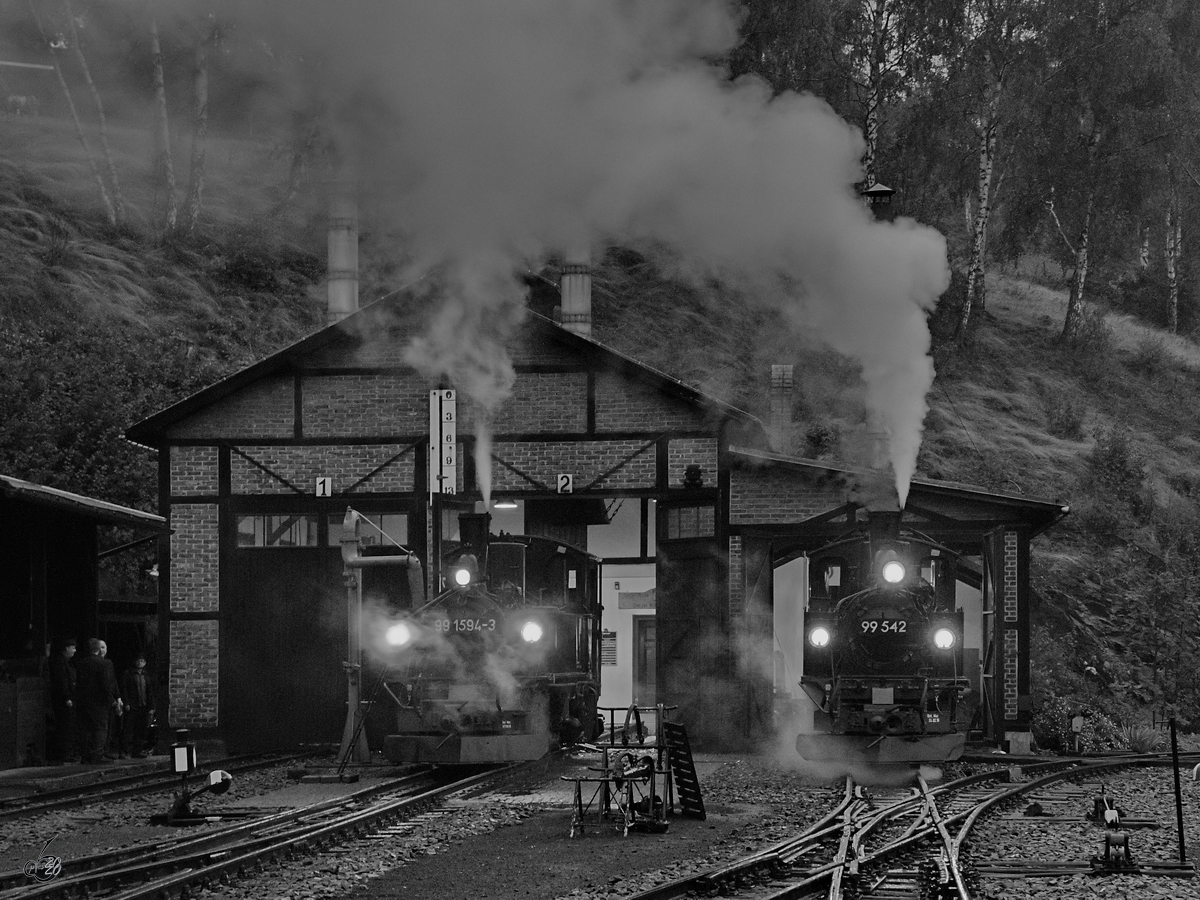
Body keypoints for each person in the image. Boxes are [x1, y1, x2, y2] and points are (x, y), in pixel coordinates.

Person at [75, 638, 121, 763]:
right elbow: (106, 685)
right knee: (100, 728)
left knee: (85, 729)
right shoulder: (105, 664)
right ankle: (97, 754)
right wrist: (112, 701)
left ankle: (86, 755)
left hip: (84, 701)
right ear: (98, 649)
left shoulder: (81, 663)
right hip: (100, 702)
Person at [47, 638, 78, 764]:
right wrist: (67, 697)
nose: (75, 651)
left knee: (69, 726)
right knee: (65, 726)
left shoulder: (67, 662)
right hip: (64, 700)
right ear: (67, 648)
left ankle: (68, 752)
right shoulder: (61, 662)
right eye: (73, 648)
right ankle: (64, 753)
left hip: (68, 697)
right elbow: (62, 681)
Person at [120, 654, 154, 757]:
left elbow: (150, 691)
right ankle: (124, 750)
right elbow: (124, 689)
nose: (140, 663)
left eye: (142, 661)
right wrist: (126, 702)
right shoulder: (128, 674)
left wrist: (151, 706)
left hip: (143, 705)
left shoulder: (146, 675)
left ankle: (137, 750)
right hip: (132, 705)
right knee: (128, 729)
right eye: (138, 661)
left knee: (141, 729)